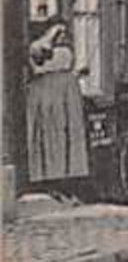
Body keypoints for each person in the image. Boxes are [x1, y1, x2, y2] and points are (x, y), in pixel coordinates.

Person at [27, 16, 89, 184]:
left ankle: (68, 178)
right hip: (48, 94)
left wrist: (77, 74)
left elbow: (67, 66)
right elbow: (39, 57)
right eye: (58, 32)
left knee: (68, 135)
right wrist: (51, 33)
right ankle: (50, 178)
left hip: (67, 94)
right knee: (51, 135)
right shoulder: (38, 46)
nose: (62, 35)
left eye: (64, 32)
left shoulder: (65, 49)